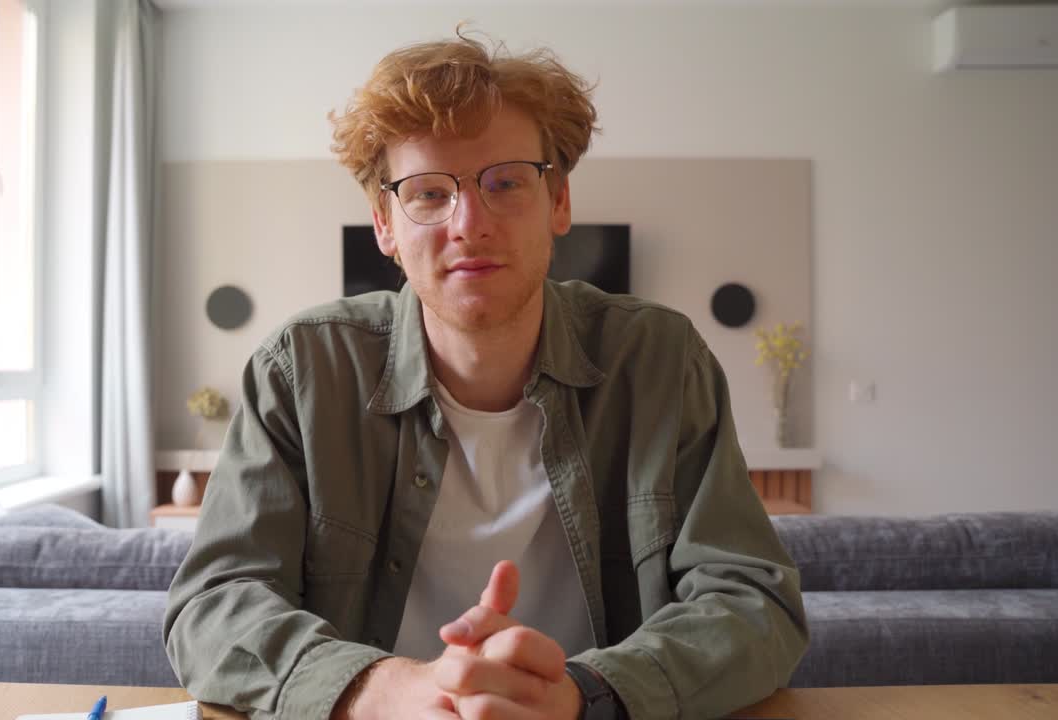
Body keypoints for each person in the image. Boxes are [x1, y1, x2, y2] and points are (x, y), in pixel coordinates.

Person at [163, 33, 808, 720]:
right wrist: (383, 690)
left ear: (558, 201)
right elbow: (213, 606)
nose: (468, 224)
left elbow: (753, 602)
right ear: (384, 223)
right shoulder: (300, 371)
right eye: (429, 193)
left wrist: (584, 694)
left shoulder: (659, 360)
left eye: (504, 182)